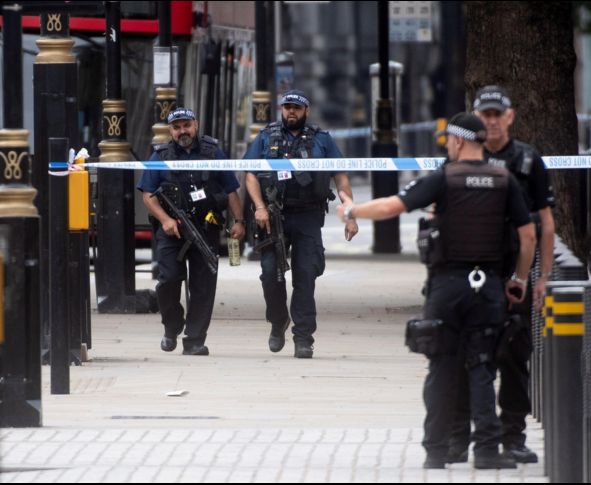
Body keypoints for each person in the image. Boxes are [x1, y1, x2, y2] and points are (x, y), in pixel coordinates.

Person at [336, 112, 536, 469]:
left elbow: (392, 205)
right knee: (483, 368)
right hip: (488, 286)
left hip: (448, 286)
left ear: (457, 140)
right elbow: (528, 236)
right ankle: (488, 453)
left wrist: (353, 208)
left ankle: (436, 453)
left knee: (442, 368)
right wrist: (518, 280)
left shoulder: (444, 179)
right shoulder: (505, 180)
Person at [446, 85, 556, 464]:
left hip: (513, 273)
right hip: (470, 271)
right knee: (464, 356)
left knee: (513, 356)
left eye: (497, 114)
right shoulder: (459, 157)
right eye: (485, 115)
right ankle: (459, 437)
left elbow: (544, 222)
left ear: (510, 116)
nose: (491, 121)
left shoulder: (527, 160)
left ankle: (513, 437)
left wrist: (539, 277)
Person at [244, 89, 358, 359]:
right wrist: (259, 207)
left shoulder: (322, 139)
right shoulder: (265, 137)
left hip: (307, 217)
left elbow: (340, 177)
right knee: (270, 275)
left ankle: (304, 337)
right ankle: (277, 321)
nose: (291, 111)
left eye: (296, 107)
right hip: (272, 216)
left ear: (306, 110)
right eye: (287, 107)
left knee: (305, 277)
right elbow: (249, 174)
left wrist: (350, 213)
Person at [138, 107, 245, 356]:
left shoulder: (212, 151)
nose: (182, 131)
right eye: (176, 127)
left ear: (195, 125)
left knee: (203, 286)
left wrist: (239, 220)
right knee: (168, 280)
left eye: (186, 125)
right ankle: (172, 325)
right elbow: (148, 195)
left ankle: (195, 339)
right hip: (172, 230)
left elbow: (231, 190)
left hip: (206, 228)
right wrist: (165, 220)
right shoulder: (160, 155)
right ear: (170, 130)